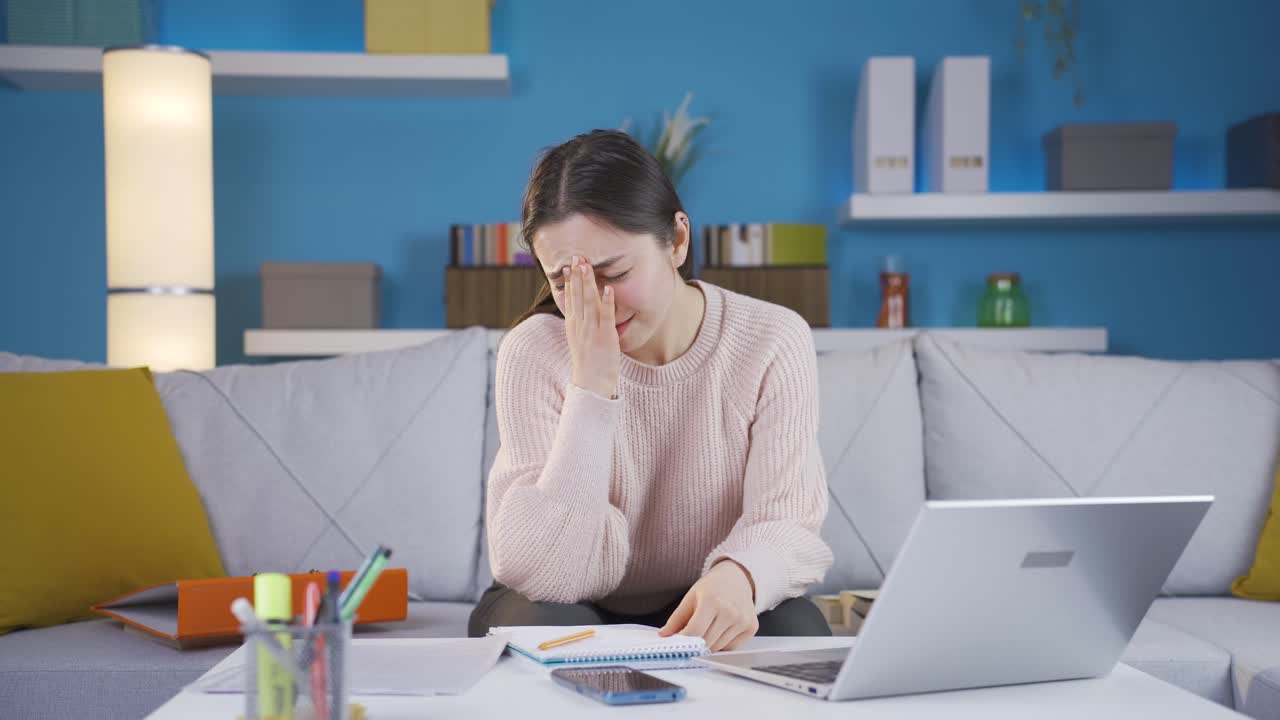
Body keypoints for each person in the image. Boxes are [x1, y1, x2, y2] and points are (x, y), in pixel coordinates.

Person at [467, 129, 832, 651]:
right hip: (561, 595)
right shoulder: (535, 351)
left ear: (677, 241)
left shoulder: (773, 339)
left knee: (796, 627)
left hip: (702, 590)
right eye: (565, 282)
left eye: (614, 272)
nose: (596, 303)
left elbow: (788, 520)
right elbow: (549, 573)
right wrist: (592, 387)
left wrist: (741, 576)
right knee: (547, 624)